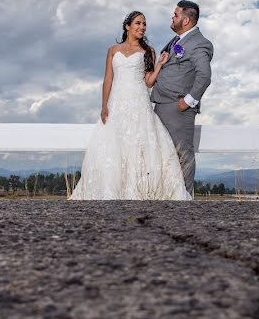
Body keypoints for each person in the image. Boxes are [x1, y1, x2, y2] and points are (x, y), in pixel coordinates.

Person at [69, 11, 191, 200]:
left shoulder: (148, 51)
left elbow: (149, 82)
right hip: (117, 102)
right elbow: (108, 79)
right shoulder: (113, 50)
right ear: (127, 26)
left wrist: (159, 64)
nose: (142, 27)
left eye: (144, 24)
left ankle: (141, 188)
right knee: (113, 144)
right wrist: (104, 105)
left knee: (139, 143)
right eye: (138, 23)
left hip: (138, 101)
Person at [150, 0, 214, 194]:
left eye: (175, 15)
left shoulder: (199, 43)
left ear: (186, 20)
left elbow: (204, 75)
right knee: (163, 155)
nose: (173, 17)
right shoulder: (177, 41)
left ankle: (184, 202)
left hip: (177, 110)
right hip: (161, 105)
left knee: (182, 155)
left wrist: (187, 102)